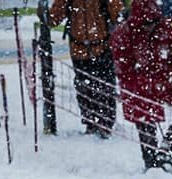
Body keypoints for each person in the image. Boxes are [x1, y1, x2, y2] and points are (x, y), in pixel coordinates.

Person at [110, 0, 172, 171]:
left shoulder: (166, 30)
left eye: (153, 22)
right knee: (144, 116)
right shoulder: (125, 33)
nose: (150, 26)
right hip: (138, 87)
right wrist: (143, 82)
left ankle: (169, 148)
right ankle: (151, 160)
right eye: (146, 22)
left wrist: (171, 76)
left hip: (165, 82)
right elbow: (123, 67)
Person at [46, 0, 123, 138]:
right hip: (80, 48)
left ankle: (105, 124)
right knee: (85, 88)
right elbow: (53, 18)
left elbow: (117, 15)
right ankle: (92, 123)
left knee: (104, 87)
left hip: (101, 46)